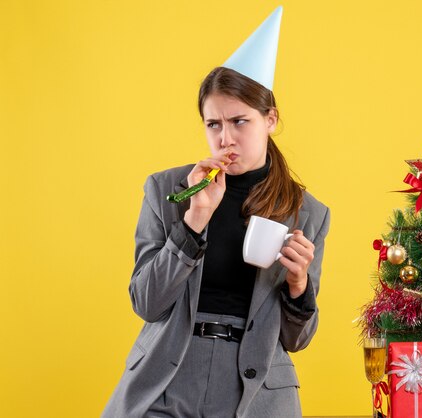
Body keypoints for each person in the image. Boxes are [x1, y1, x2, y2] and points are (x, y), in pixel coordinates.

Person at [102, 7, 330, 418]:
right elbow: (146, 303)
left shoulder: (306, 212)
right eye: (213, 124)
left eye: (240, 121)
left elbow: (297, 340)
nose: (225, 138)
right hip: (166, 377)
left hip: (257, 388)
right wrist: (193, 222)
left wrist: (299, 285)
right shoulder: (168, 190)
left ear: (271, 119)